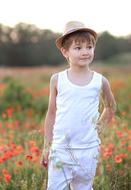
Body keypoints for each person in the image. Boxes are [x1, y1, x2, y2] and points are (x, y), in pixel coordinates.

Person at [40, 21, 116, 190]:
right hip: (60, 149)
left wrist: (101, 124)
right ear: (65, 52)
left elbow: (110, 107)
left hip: (88, 150)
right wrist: (46, 147)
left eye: (89, 47)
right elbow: (51, 113)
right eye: (78, 48)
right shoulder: (57, 79)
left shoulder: (99, 81)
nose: (85, 52)